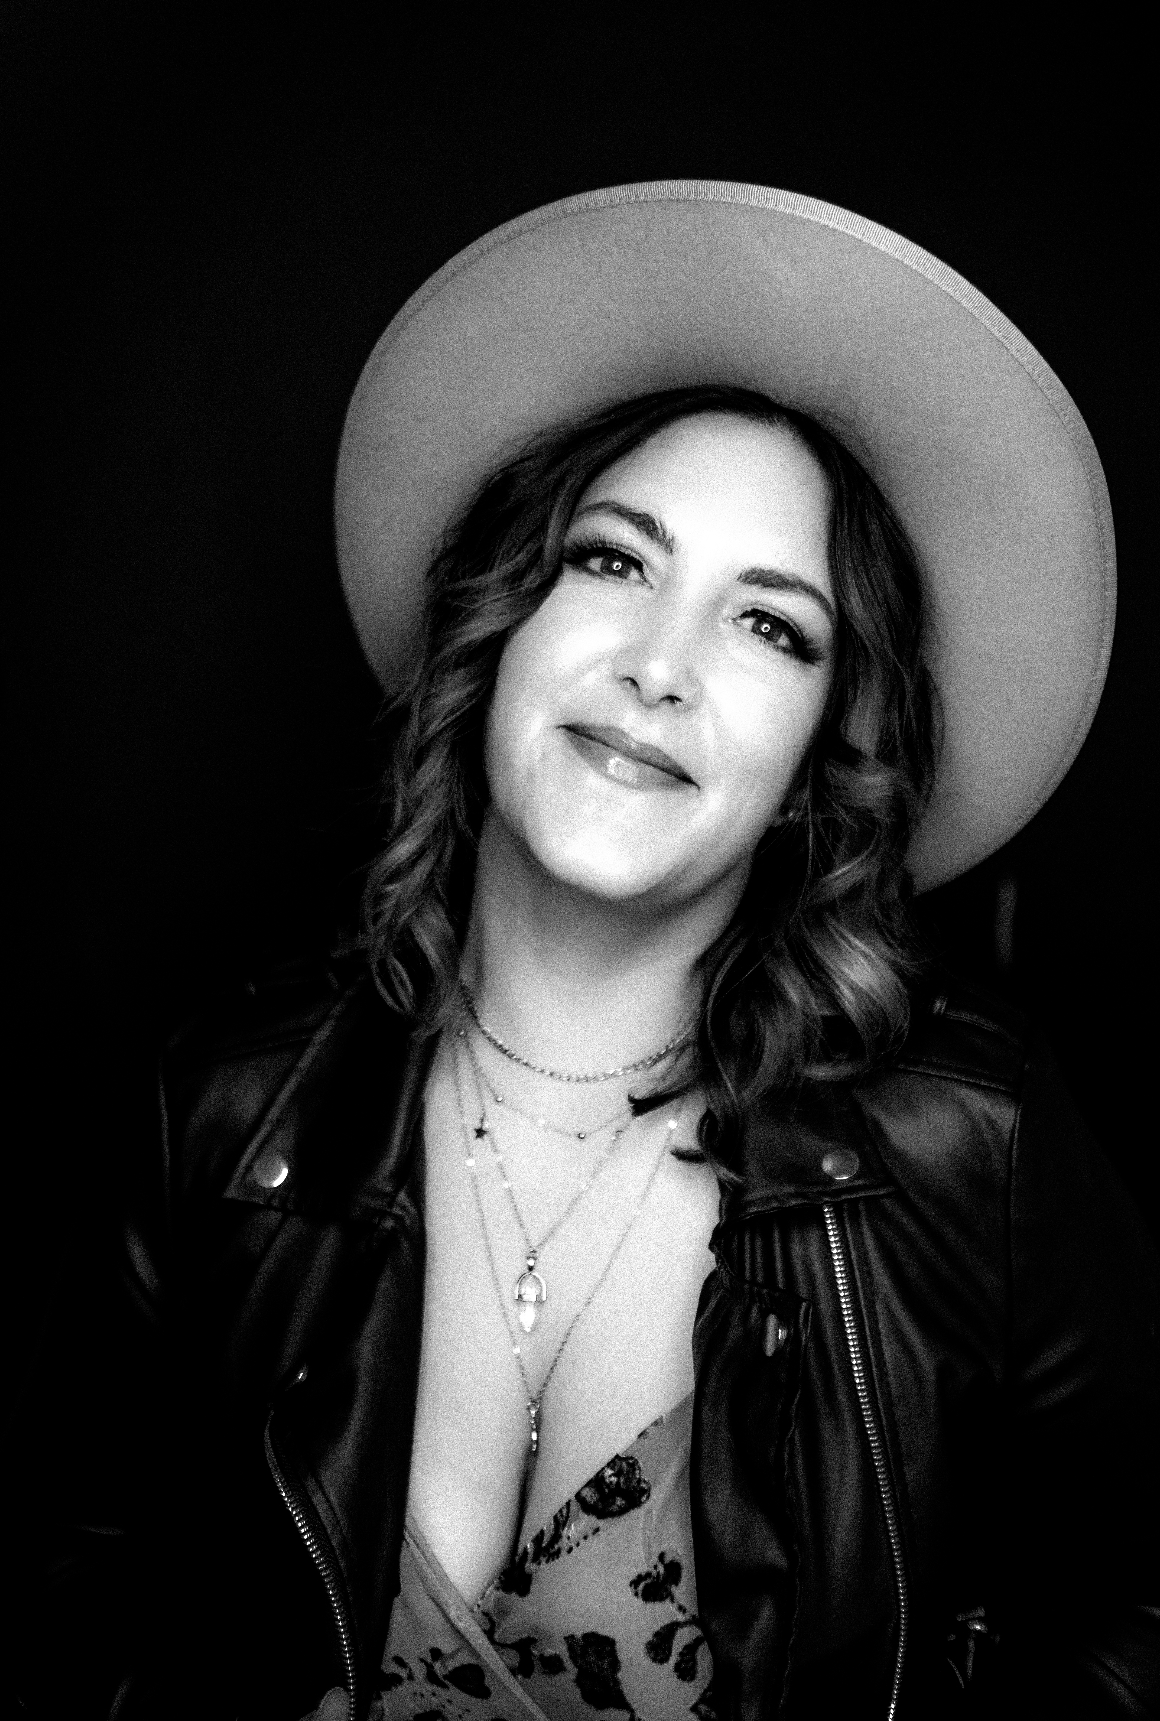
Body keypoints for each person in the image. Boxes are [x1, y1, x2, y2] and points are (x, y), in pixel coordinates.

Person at [17, 184, 1159, 1721]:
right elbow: (78, 1583)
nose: (660, 667)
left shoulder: (977, 1142)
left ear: (826, 755)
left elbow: (1136, 1607)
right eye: (615, 562)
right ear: (502, 619)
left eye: (771, 628)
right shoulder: (224, 1110)